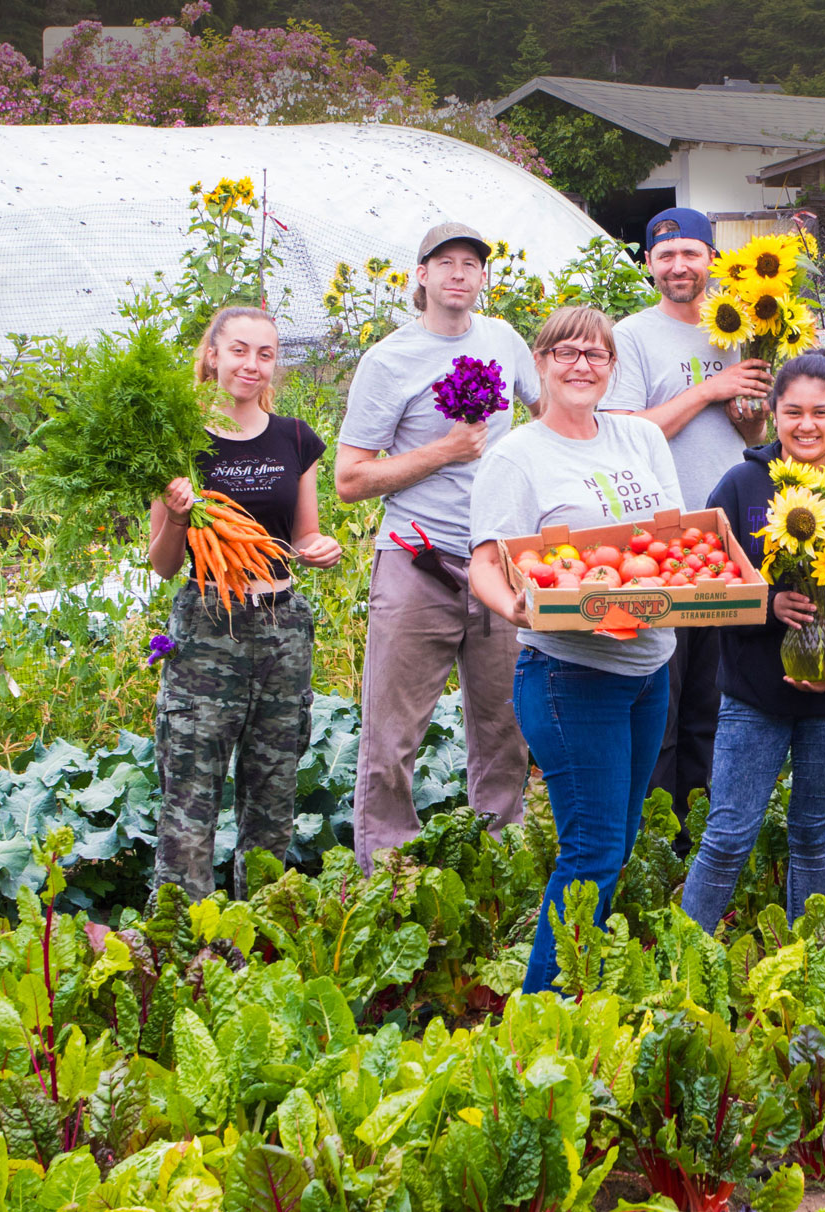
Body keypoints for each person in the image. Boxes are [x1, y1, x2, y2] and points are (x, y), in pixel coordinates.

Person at [468, 305, 682, 995]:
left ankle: (577, 990)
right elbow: (483, 566)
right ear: (541, 362)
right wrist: (518, 605)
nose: (581, 365)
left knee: (613, 846)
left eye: (595, 354)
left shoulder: (638, 439)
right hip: (570, 677)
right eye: (565, 352)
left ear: (612, 367)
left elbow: (674, 541)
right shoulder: (517, 457)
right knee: (590, 850)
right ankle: (541, 1008)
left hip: (648, 669)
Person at [336, 222, 541, 872]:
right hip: (415, 564)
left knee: (504, 733)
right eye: (444, 262)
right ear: (419, 276)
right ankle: (387, 882)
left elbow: (552, 417)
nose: (458, 273)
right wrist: (444, 452)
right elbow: (350, 479)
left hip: (499, 567)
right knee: (391, 740)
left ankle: (497, 869)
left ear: (483, 278)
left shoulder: (505, 342)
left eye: (471, 264)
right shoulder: (389, 360)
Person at [679, 353, 825, 932]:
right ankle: (685, 960)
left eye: (821, 413)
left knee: (814, 836)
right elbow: (706, 585)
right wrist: (768, 606)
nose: (807, 425)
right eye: (794, 411)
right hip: (754, 698)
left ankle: (807, 966)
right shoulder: (741, 486)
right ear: (773, 414)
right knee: (728, 834)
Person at [147, 306, 344, 902]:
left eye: (264, 354)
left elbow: (303, 534)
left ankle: (258, 930)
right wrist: (178, 518)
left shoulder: (295, 438)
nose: (251, 365)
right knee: (191, 786)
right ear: (213, 354)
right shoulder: (179, 441)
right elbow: (162, 563)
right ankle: (180, 935)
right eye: (238, 350)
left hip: (282, 625)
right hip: (208, 623)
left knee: (274, 786)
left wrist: (320, 548)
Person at [601, 208, 775, 825]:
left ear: (711, 259)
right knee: (662, 696)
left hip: (727, 539)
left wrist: (750, 410)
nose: (679, 266)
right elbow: (620, 431)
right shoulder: (632, 337)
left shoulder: (740, 329)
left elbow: (752, 432)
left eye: (691, 253)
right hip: (659, 541)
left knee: (714, 696)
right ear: (649, 264)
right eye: (666, 255)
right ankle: (651, 829)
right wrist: (708, 388)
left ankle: (698, 832)